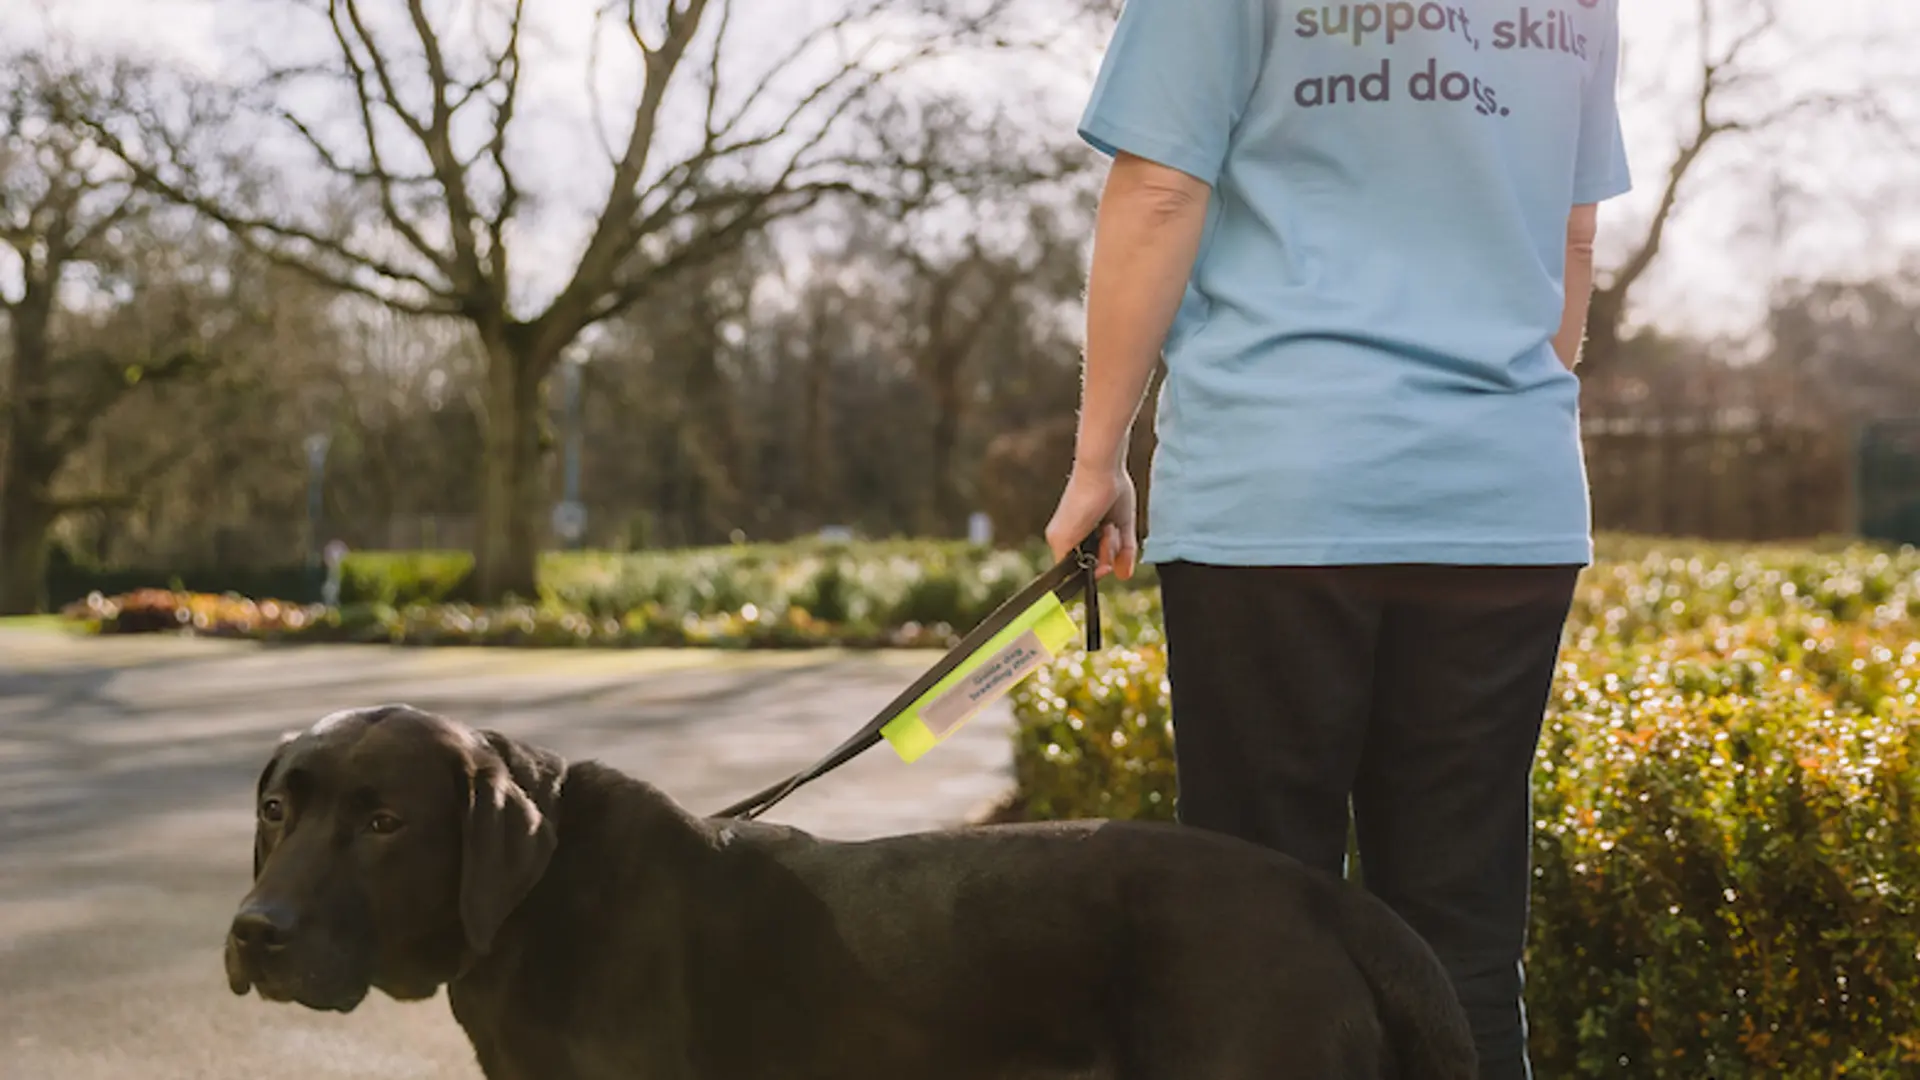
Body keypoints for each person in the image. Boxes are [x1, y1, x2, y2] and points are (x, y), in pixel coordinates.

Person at [1044, 2, 1632, 1077]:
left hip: (1280, 487)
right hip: (1505, 500)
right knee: (1461, 936)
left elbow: (1162, 190)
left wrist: (1099, 458)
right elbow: (1573, 234)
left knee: (1258, 928)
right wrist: (1492, 427)